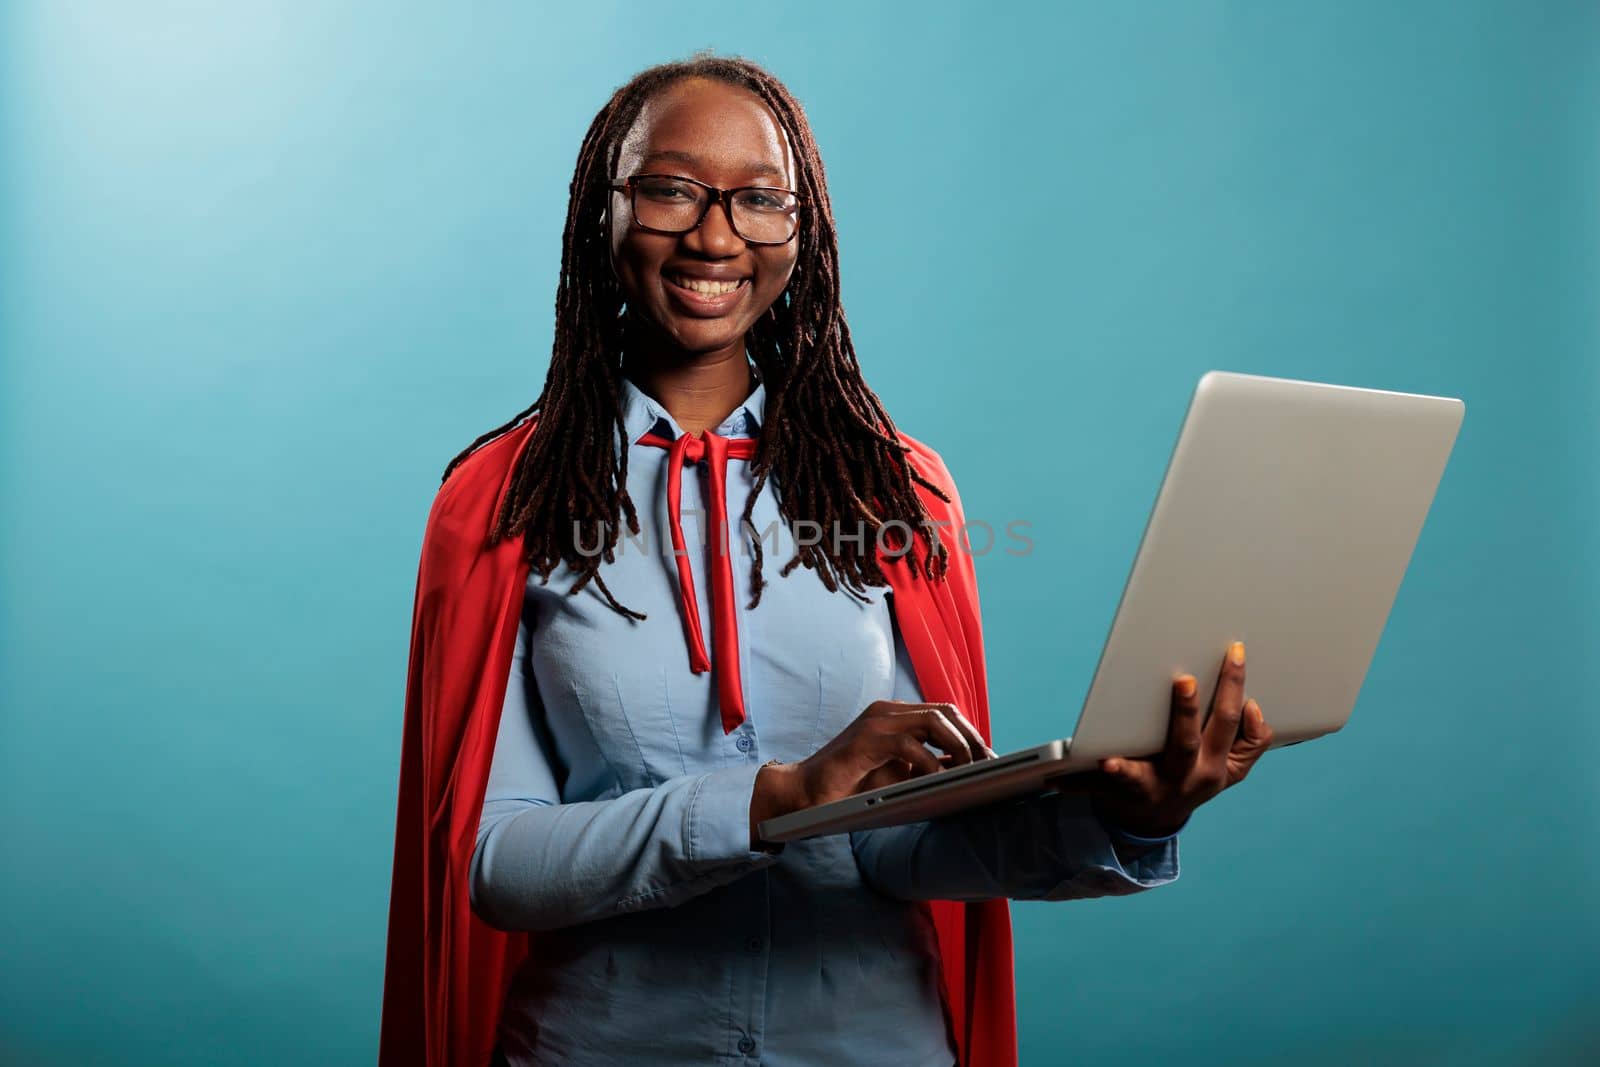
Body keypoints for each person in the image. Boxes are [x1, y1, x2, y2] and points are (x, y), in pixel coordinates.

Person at [379, 52, 1275, 1067]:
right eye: (671, 187)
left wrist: (1122, 816)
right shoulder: (507, 496)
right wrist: (771, 802)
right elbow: (496, 864)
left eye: (761, 199)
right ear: (604, 207)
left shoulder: (896, 489)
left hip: (873, 1041)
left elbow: (905, 843)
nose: (716, 234)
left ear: (803, 233)